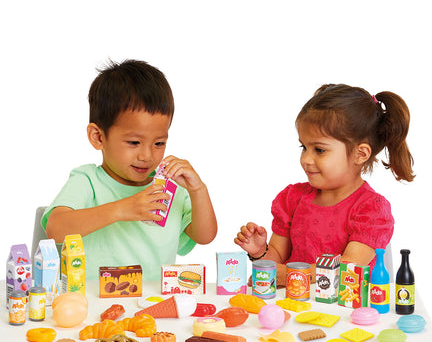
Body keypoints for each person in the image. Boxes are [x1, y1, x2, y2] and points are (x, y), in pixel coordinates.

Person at [42, 59, 217, 280]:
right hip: (94, 300)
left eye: (159, 143)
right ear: (98, 137)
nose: (147, 156)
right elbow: (56, 229)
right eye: (134, 142)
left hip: (155, 300)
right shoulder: (87, 180)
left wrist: (198, 190)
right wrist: (122, 209)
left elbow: (204, 236)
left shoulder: (168, 188)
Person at [235, 84, 414, 286]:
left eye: (319, 150)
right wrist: (261, 252)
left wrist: (290, 275)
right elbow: (276, 265)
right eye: (304, 147)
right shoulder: (292, 198)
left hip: (344, 305)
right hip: (292, 302)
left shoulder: (371, 209)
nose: (306, 159)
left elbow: (348, 269)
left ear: (360, 154)